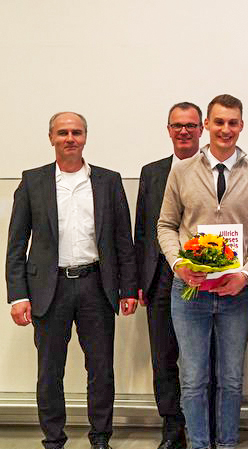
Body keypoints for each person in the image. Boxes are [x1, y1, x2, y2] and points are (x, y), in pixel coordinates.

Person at [6, 111, 138, 449]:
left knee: (101, 369)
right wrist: (18, 295)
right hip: (50, 289)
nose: (70, 138)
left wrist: (128, 287)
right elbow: (17, 243)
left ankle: (100, 437)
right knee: (50, 371)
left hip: (96, 285)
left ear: (85, 137)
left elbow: (123, 239)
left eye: (76, 132)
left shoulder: (108, 181)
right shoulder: (33, 181)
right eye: (63, 132)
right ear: (51, 137)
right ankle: (53, 439)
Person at [157, 94, 248, 449]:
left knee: (231, 380)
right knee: (193, 380)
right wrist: (178, 265)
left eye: (233, 123)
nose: (226, 129)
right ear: (206, 124)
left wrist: (246, 274)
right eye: (219, 122)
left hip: (235, 294)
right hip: (189, 293)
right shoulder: (182, 172)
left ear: (241, 126)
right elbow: (166, 225)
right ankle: (198, 444)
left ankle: (226, 444)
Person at [135, 101, 219, 449]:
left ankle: (206, 427)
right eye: (177, 125)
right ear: (168, 130)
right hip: (161, 276)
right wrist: (139, 281)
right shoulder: (152, 172)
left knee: (206, 358)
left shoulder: (216, 170)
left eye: (190, 125)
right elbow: (143, 230)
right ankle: (172, 426)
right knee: (164, 357)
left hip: (206, 277)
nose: (184, 131)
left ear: (202, 129)